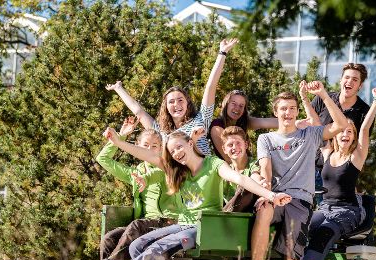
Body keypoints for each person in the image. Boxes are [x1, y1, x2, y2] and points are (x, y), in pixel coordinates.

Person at [77, 129, 291, 260]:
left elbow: (241, 180)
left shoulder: (213, 164)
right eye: (172, 151)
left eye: (179, 147)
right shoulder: (177, 170)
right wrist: (119, 142)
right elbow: (148, 154)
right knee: (137, 245)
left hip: (203, 227)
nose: (177, 153)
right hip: (182, 224)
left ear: (190, 143)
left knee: (157, 249)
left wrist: (271, 195)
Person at [250, 81, 348, 260]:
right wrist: (267, 193)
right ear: (276, 112)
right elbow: (265, 169)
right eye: (283, 108)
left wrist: (323, 94)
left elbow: (341, 125)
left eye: (292, 108)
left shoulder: (310, 135)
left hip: (300, 202)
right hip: (275, 197)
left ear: (297, 111)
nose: (288, 112)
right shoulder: (266, 140)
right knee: (263, 208)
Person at [77, 117, 180, 260]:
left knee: (135, 225)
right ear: (137, 148)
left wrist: (145, 179)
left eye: (155, 146)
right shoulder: (135, 172)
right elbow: (103, 159)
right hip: (145, 225)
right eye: (145, 146)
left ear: (161, 149)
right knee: (109, 238)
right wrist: (121, 136)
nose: (150, 149)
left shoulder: (167, 166)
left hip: (167, 222)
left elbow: (157, 174)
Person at [301, 87, 376, 260]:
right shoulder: (328, 152)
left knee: (323, 235)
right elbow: (315, 123)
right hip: (324, 208)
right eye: (342, 131)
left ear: (354, 136)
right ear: (335, 134)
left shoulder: (356, 157)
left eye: (350, 132)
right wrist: (305, 99)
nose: (345, 135)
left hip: (348, 211)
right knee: (301, 228)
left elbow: (364, 128)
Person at [106, 39, 239, 156]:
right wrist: (118, 88)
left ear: (187, 103)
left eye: (180, 100)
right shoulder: (161, 131)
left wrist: (222, 53)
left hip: (205, 173)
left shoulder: (201, 119)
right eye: (171, 102)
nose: (176, 104)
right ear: (166, 107)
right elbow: (138, 111)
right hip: (180, 179)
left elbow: (210, 87)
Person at [307, 63, 374, 204]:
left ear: (360, 86)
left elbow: (360, 145)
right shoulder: (322, 98)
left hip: (336, 175)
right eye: (347, 77)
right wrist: (303, 96)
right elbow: (309, 124)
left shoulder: (364, 112)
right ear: (341, 80)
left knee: (328, 216)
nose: (349, 81)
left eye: (355, 80)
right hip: (311, 167)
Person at [209, 90, 277, 161]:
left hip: (246, 166)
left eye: (241, 106)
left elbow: (265, 122)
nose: (237, 108)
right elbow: (229, 159)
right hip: (229, 169)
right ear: (226, 105)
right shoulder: (217, 126)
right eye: (233, 104)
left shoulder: (243, 122)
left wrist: (287, 120)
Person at [220, 126, 266, 212]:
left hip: (248, 211)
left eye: (238, 143)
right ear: (224, 149)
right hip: (228, 213)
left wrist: (257, 182)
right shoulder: (226, 169)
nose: (234, 147)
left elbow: (256, 176)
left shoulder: (253, 164)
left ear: (246, 145)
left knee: (246, 187)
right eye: (230, 145)